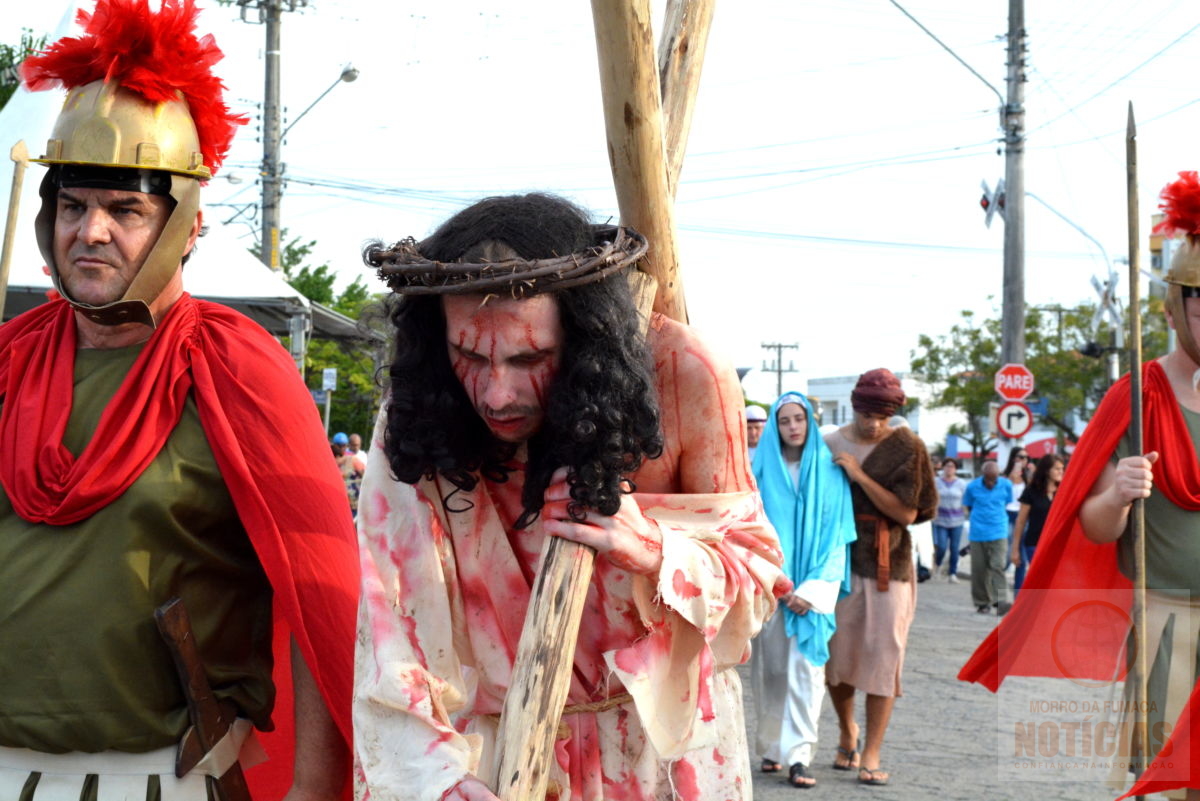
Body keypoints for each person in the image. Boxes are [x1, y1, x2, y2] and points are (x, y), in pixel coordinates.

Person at [0, 2, 360, 799]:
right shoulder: (8, 359)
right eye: (72, 205)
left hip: (162, 778)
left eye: (125, 209)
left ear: (184, 225)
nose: (90, 231)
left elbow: (324, 594)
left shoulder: (238, 368)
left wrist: (313, 788)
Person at [352, 193, 786, 801]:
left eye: (531, 357)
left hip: (660, 758)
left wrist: (654, 551)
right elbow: (387, 616)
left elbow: (759, 586)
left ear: (585, 337)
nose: (497, 395)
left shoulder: (684, 372)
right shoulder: (422, 410)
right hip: (494, 761)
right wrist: (438, 782)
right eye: (469, 355)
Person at [960, 172, 1200, 801]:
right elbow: (1092, 523)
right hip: (1168, 624)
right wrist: (1119, 491)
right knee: (1167, 787)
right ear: (1176, 308)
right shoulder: (1138, 397)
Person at [822, 369, 937, 787]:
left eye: (882, 416)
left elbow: (908, 513)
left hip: (892, 563)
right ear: (854, 406)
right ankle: (846, 728)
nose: (873, 423)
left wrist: (860, 475)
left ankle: (872, 750)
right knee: (837, 655)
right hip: (839, 559)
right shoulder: (830, 442)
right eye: (867, 414)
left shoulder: (908, 446)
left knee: (884, 658)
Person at [749, 393, 855, 788]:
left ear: (810, 423)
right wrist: (777, 583)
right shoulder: (759, 470)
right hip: (771, 588)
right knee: (773, 671)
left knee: (806, 674)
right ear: (775, 427)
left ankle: (799, 755)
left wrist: (809, 591)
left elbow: (838, 538)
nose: (793, 427)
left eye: (799, 419)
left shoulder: (829, 472)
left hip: (813, 595)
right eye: (784, 421)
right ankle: (773, 747)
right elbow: (749, 532)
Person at [962, 460, 1013, 614]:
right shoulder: (972, 487)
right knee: (979, 569)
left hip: (999, 530)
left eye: (994, 479)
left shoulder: (1006, 485)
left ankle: (1001, 600)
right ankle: (982, 602)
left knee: (997, 565)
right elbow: (968, 505)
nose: (991, 482)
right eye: (988, 479)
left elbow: (1007, 502)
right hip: (978, 532)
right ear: (982, 475)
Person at [1009, 453, 1064, 596]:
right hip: (1034, 543)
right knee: (1042, 580)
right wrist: (1015, 549)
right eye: (1057, 469)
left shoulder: (1064, 491)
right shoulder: (1032, 491)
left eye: (1062, 469)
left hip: (1057, 544)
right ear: (1047, 470)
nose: (1060, 472)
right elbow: (1021, 521)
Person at [932, 457, 968, 582]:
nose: (949, 469)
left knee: (954, 548)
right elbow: (932, 497)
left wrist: (966, 512)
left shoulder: (962, 483)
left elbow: (966, 500)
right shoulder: (936, 481)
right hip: (940, 519)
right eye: (947, 466)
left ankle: (952, 573)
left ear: (956, 469)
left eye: (952, 466)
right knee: (941, 546)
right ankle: (938, 564)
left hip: (957, 520)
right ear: (943, 467)